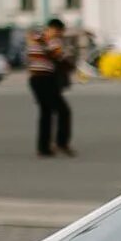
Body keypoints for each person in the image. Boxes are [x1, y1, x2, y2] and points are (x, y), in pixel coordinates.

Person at [27, 19, 73, 157]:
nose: (60, 35)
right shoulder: (52, 41)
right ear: (55, 29)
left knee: (46, 112)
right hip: (45, 79)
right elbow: (60, 56)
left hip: (35, 79)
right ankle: (61, 143)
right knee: (63, 111)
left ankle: (43, 148)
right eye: (60, 32)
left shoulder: (34, 39)